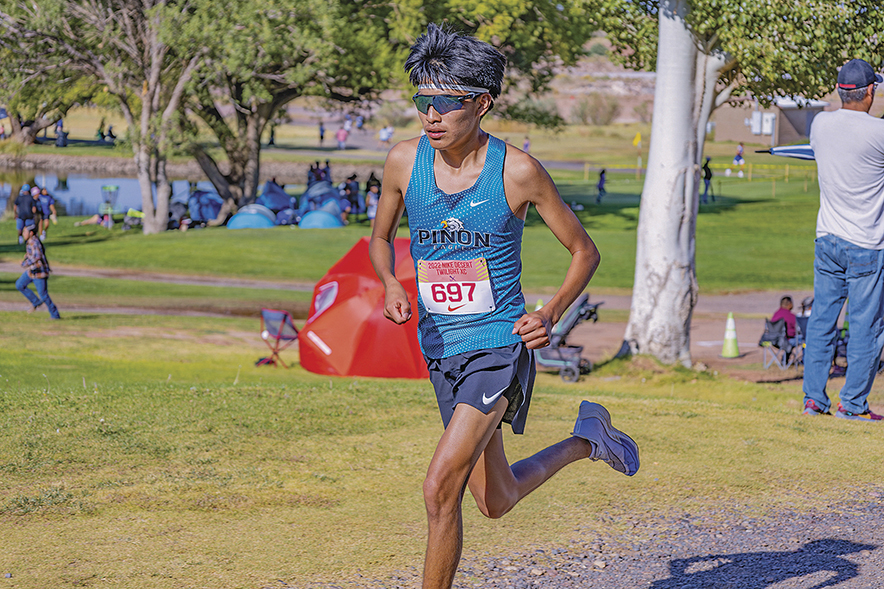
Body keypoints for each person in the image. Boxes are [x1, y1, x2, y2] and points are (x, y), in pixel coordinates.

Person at [368, 24, 640, 589]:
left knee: (439, 487)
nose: (431, 115)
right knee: (496, 500)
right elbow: (379, 238)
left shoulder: (516, 171)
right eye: (423, 101)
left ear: (482, 103)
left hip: (497, 346)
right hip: (442, 347)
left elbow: (584, 252)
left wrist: (549, 314)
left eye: (446, 101)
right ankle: (588, 439)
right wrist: (392, 284)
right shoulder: (402, 161)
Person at [802, 58, 884, 421]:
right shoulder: (878, 133)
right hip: (866, 244)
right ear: (869, 92)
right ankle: (852, 405)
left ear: (840, 90)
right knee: (866, 326)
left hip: (828, 241)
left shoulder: (820, 124)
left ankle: (814, 400)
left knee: (822, 321)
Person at [16, 225, 61, 319]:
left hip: (39, 273)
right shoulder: (30, 242)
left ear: (31, 233)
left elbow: (37, 256)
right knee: (20, 284)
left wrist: (25, 263)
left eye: (25, 232)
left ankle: (55, 315)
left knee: (44, 295)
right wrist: (26, 257)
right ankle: (35, 301)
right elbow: (32, 254)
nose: (23, 234)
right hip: (32, 271)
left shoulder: (33, 242)